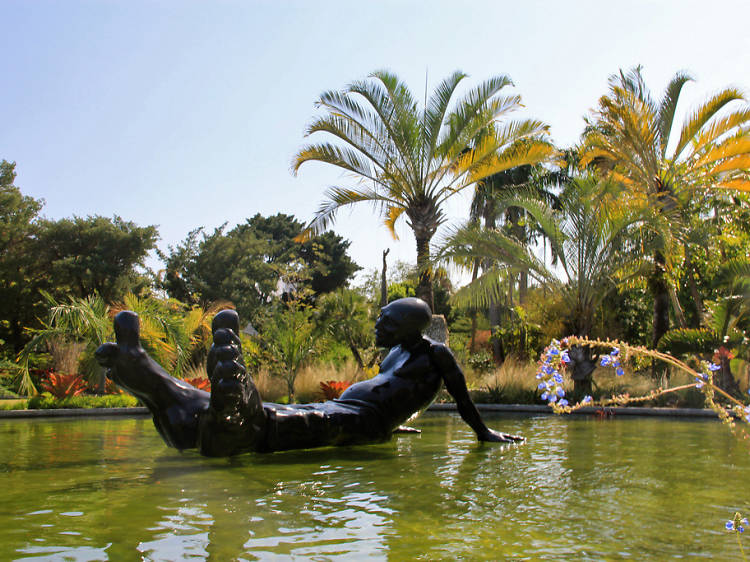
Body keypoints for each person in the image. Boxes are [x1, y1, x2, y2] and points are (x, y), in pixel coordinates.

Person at [95, 297, 524, 456]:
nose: (377, 327)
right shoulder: (395, 351)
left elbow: (461, 399)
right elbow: (400, 397)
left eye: (385, 321)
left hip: (359, 420)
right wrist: (398, 428)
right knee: (304, 410)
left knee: (311, 422)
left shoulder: (437, 355)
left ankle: (243, 423)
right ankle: (172, 392)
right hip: (352, 411)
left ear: (409, 328)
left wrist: (485, 434)